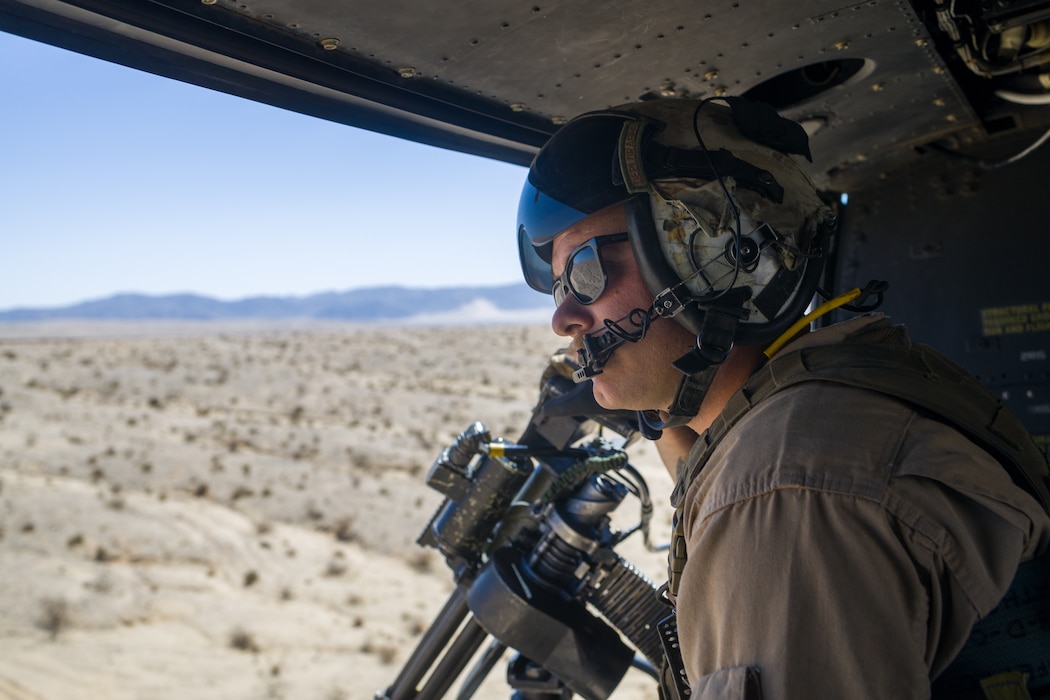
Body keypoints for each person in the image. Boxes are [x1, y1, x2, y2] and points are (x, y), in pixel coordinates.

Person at [515, 96, 1050, 699]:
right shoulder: (830, 401)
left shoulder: (781, 488)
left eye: (585, 273)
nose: (563, 317)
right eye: (558, 286)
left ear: (715, 255)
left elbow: (771, 493)